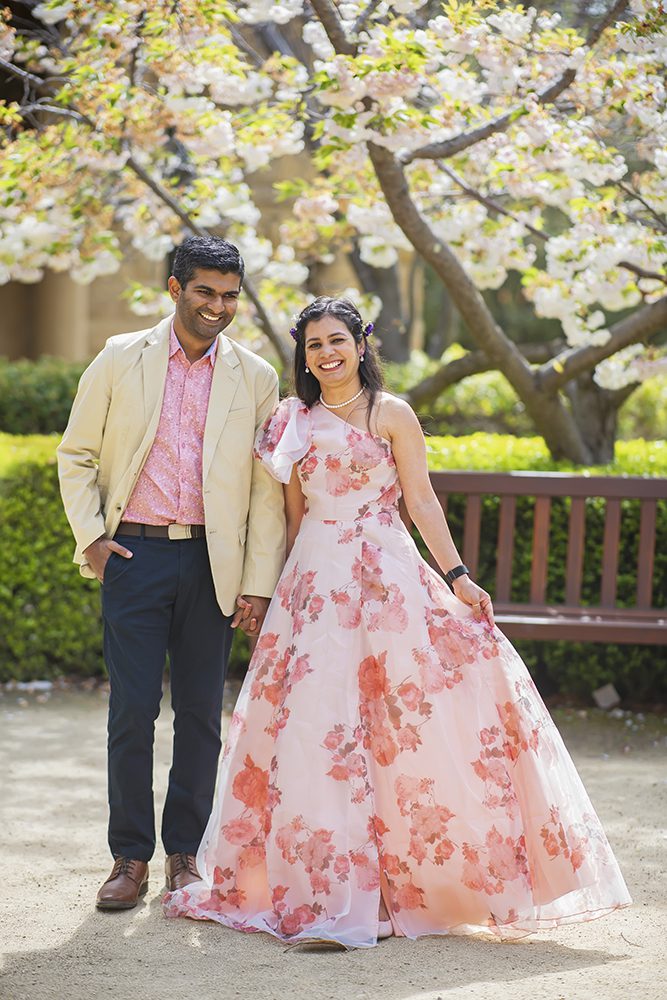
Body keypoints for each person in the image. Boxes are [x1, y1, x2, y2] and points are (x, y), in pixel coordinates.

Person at [163, 296, 630, 947]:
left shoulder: (392, 414)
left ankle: (399, 890)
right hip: (316, 583)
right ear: (303, 355)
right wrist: (270, 595)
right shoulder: (290, 421)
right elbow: (293, 519)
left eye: (337, 340)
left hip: (387, 577)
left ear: (361, 343)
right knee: (317, 730)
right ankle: (329, 889)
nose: (326, 354)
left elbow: (421, 500)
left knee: (400, 728)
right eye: (314, 345)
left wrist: (458, 576)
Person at [57, 236, 285, 910]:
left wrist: (256, 582)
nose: (218, 306)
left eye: (229, 295)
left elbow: (264, 490)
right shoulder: (120, 357)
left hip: (212, 562)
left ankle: (184, 856)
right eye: (205, 292)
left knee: (200, 717)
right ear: (175, 288)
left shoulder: (256, 375)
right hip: (135, 555)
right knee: (131, 713)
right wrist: (94, 539)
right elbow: (76, 456)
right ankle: (128, 857)